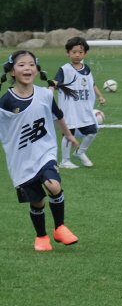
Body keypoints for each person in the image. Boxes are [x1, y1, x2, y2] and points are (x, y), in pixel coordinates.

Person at [0, 50, 80, 250]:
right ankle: (41, 237)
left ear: (36, 69)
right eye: (21, 65)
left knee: (53, 185)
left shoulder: (45, 93)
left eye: (31, 64)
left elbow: (57, 114)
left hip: (45, 151)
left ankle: (60, 227)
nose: (27, 68)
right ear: (11, 71)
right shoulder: (7, 101)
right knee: (37, 201)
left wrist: (68, 134)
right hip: (21, 159)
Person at [52, 37, 105, 168]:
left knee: (92, 130)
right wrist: (50, 96)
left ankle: (80, 152)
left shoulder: (86, 68)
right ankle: (65, 161)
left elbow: (91, 84)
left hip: (84, 108)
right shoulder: (65, 69)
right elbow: (54, 84)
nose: (77, 55)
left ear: (85, 53)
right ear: (68, 52)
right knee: (68, 133)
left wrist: (100, 96)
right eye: (74, 52)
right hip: (69, 108)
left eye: (80, 52)